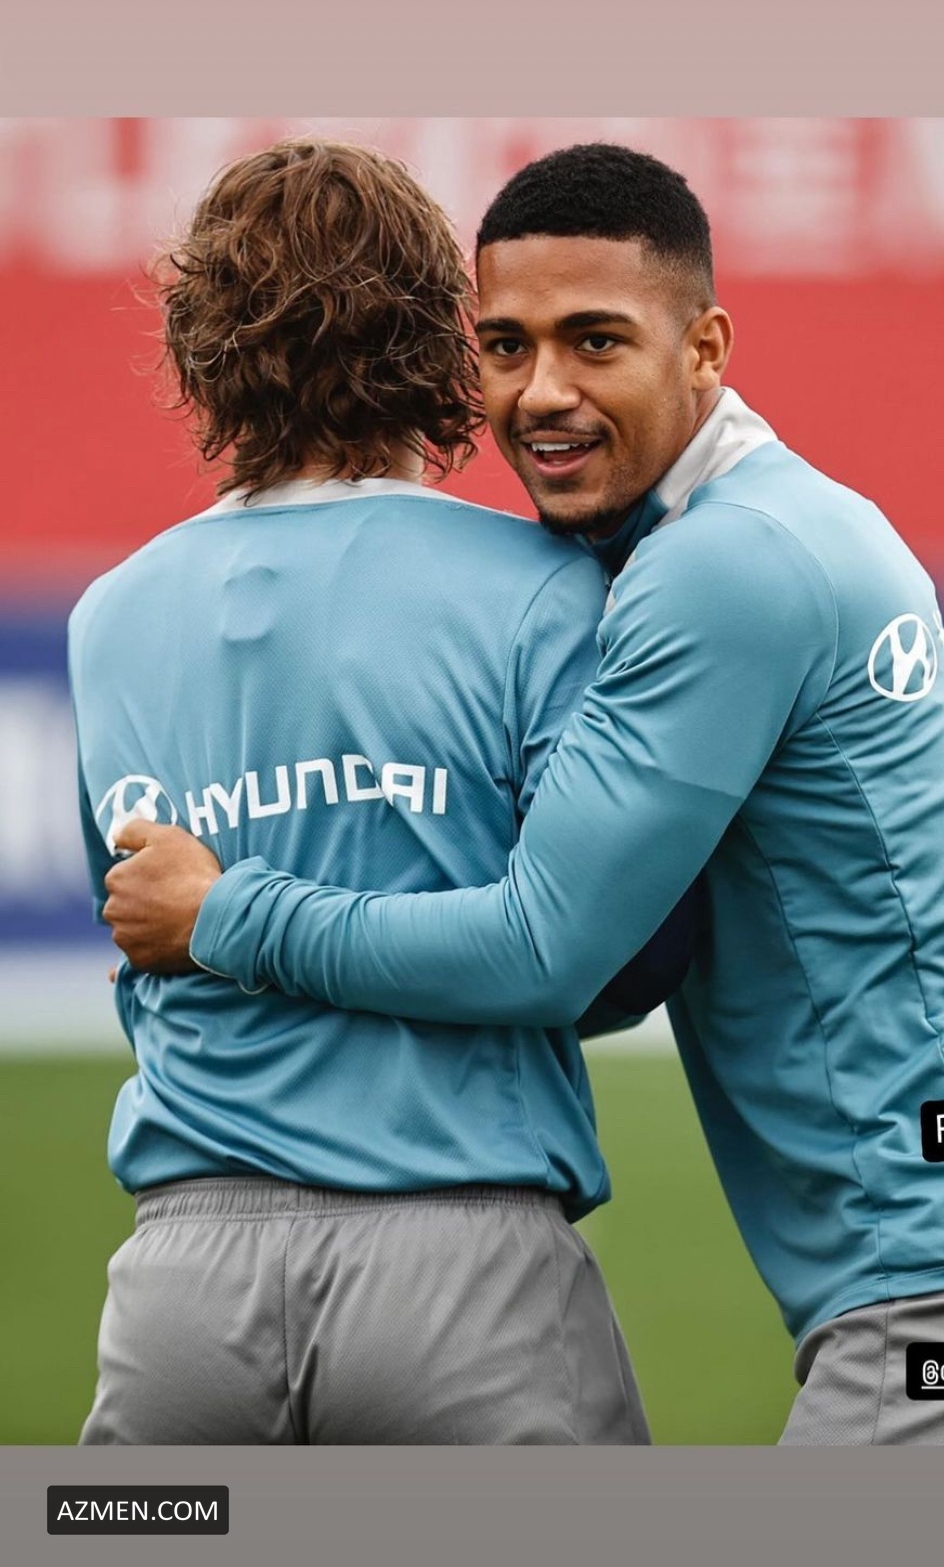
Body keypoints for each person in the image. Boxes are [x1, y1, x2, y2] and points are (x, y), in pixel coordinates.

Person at [107, 143, 944, 1446]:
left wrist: (227, 916)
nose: (542, 392)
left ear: (705, 349)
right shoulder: (780, 528)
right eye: (505, 346)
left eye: (595, 341)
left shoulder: (718, 571)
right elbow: (619, 958)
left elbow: (548, 952)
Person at [69, 138, 663, 1445]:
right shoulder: (547, 592)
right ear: (435, 338)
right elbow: (603, 955)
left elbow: (144, 938)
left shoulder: (107, 619)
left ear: (201, 345)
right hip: (462, 1267)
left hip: (177, 1293)